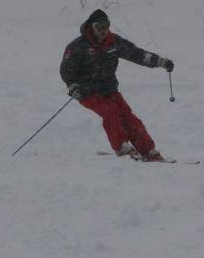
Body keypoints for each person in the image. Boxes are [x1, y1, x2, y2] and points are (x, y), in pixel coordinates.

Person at [60, 9, 174, 161]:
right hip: (87, 92)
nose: (103, 31)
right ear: (91, 27)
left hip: (109, 90)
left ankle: (148, 151)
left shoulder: (113, 41)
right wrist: (73, 87)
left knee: (127, 116)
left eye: (106, 26)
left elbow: (136, 53)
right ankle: (122, 148)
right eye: (99, 27)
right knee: (110, 111)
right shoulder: (78, 46)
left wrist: (160, 61)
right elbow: (66, 70)